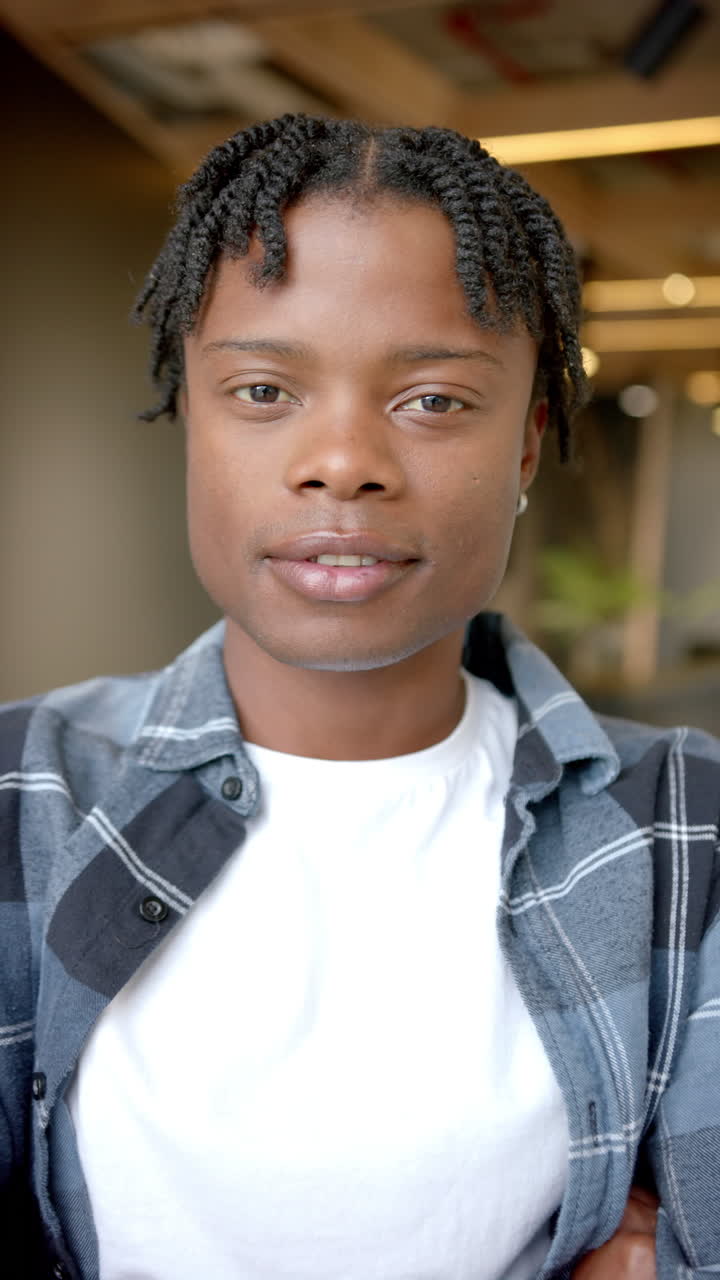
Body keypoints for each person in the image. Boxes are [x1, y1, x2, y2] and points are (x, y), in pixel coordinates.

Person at [0, 113, 716, 1280]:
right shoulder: (20, 793)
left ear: (531, 441)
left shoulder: (687, 827)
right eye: (266, 388)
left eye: (433, 399)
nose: (343, 460)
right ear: (192, 414)